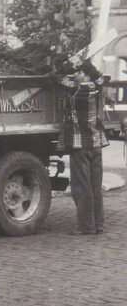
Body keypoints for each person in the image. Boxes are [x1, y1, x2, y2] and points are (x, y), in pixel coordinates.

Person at [52, 56, 109, 235]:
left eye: (79, 73)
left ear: (83, 76)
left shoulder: (75, 89)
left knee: (81, 187)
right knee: (95, 187)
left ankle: (86, 227)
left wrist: (65, 65)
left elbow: (54, 76)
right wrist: (86, 64)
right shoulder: (97, 86)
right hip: (96, 143)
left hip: (80, 145)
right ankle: (98, 225)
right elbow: (100, 77)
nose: (76, 75)